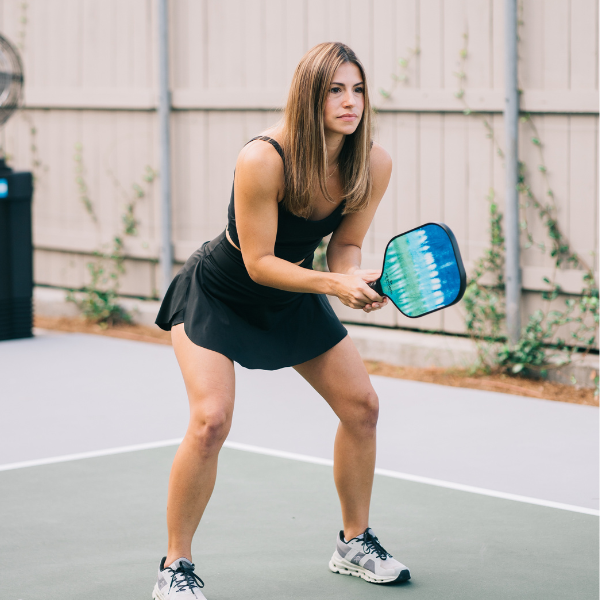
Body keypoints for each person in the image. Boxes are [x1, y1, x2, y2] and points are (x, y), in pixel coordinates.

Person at [152, 41, 411, 600]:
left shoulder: (372, 162)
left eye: (358, 89)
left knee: (362, 408)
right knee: (210, 421)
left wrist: (354, 279)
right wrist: (331, 283)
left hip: (291, 292)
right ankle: (174, 567)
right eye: (335, 90)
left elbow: (345, 244)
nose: (351, 102)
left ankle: (354, 541)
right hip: (220, 293)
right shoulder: (263, 158)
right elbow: (258, 262)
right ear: (308, 96)